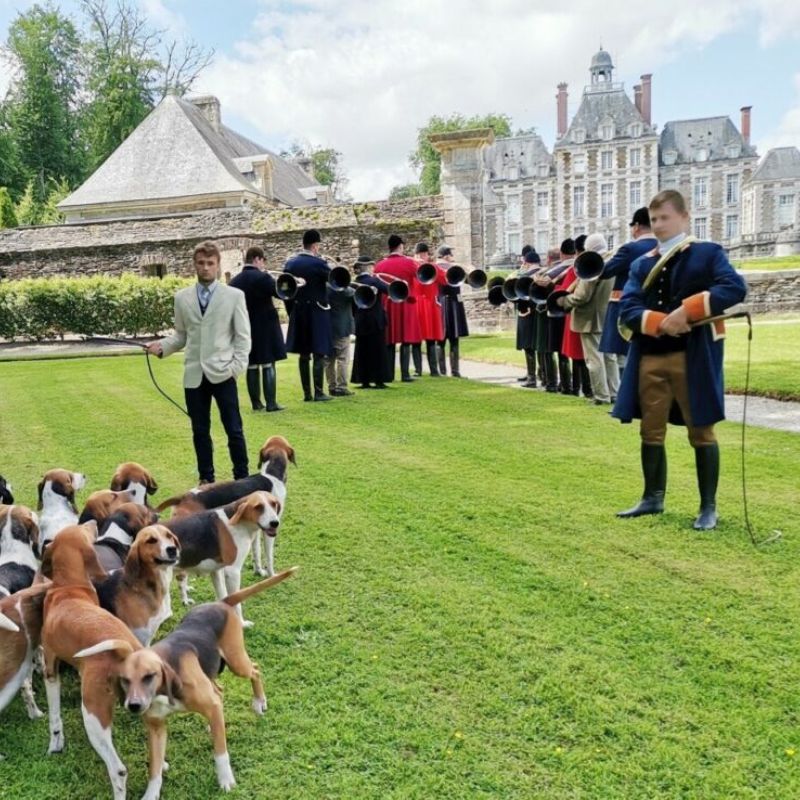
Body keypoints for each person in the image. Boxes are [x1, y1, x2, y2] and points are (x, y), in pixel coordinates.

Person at [612, 189, 747, 530]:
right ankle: (652, 497)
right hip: (652, 356)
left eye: (665, 217)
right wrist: (661, 322)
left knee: (701, 430)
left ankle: (708, 507)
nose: (658, 224)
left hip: (693, 356)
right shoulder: (641, 264)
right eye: (654, 219)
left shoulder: (707, 253)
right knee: (650, 429)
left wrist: (687, 311)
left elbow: (733, 288)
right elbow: (628, 308)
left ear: (684, 217)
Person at [147, 240, 251, 483]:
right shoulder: (181, 298)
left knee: (234, 429)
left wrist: (236, 368)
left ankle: (242, 479)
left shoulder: (234, 296)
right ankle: (206, 480)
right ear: (194, 264)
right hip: (194, 375)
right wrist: (161, 347)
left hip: (224, 372)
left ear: (218, 265)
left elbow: (243, 337)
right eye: (201, 263)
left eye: (210, 263)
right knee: (200, 431)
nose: (205, 267)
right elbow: (181, 336)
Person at [558, 233, 616, 404]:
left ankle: (601, 396)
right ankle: (614, 393)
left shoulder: (591, 262)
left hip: (590, 318)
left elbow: (582, 296)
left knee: (594, 359)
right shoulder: (613, 261)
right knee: (609, 358)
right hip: (608, 315)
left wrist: (563, 301)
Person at [229, 246, 287, 412]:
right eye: (263, 260)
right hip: (266, 325)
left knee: (252, 364)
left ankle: (256, 403)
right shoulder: (263, 277)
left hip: (245, 327)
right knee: (268, 363)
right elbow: (280, 292)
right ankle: (271, 403)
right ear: (257, 259)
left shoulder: (234, 281)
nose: (263, 264)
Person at [600, 207, 657, 374]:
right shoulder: (664, 247)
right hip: (654, 309)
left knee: (624, 358)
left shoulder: (629, 249)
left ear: (637, 226)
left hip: (627, 309)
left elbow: (604, 271)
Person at [283, 229, 334, 402]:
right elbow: (334, 280)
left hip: (299, 311)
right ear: (314, 246)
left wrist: (292, 311)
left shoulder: (290, 264)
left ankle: (307, 394)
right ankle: (319, 392)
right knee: (319, 351)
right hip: (317, 311)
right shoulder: (319, 263)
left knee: (304, 354)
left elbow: (286, 291)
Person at [375, 234, 422, 382]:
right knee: (406, 340)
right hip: (406, 304)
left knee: (390, 341)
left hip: (388, 305)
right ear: (400, 246)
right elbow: (421, 277)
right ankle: (405, 374)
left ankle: (389, 374)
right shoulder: (409, 262)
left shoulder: (379, 265)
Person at [351, 255, 390, 389]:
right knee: (378, 350)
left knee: (362, 350)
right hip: (375, 319)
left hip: (360, 319)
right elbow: (388, 289)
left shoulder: (354, 283)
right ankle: (379, 380)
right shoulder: (374, 281)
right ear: (368, 267)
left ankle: (364, 380)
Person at [560, 234, 591, 398]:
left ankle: (579, 387)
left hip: (576, 315)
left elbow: (564, 292)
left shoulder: (576, 269)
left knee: (578, 357)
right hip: (595, 317)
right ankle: (587, 388)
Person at [436, 245, 469, 377]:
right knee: (454, 339)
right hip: (453, 303)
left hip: (441, 303)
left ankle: (442, 371)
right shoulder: (454, 267)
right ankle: (455, 371)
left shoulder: (435, 267)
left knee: (441, 339)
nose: (452, 257)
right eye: (450, 255)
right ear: (446, 256)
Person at [413, 242, 444, 376]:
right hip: (418, 304)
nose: (421, 257)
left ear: (427, 255)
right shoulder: (412, 266)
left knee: (431, 339)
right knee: (416, 340)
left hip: (429, 304)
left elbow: (445, 279)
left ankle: (433, 370)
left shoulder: (433, 267)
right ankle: (418, 370)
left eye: (423, 254)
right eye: (419, 254)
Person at [325, 277, 356, 396]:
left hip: (327, 327)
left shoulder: (325, 287)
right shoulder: (346, 290)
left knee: (329, 360)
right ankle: (341, 387)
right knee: (343, 358)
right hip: (342, 327)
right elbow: (355, 294)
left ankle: (331, 386)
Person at [516, 248, 541, 388]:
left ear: (527, 262)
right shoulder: (543, 273)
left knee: (528, 346)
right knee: (538, 346)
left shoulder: (526, 275)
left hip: (526, 313)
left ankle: (532, 378)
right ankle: (539, 374)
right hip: (538, 313)